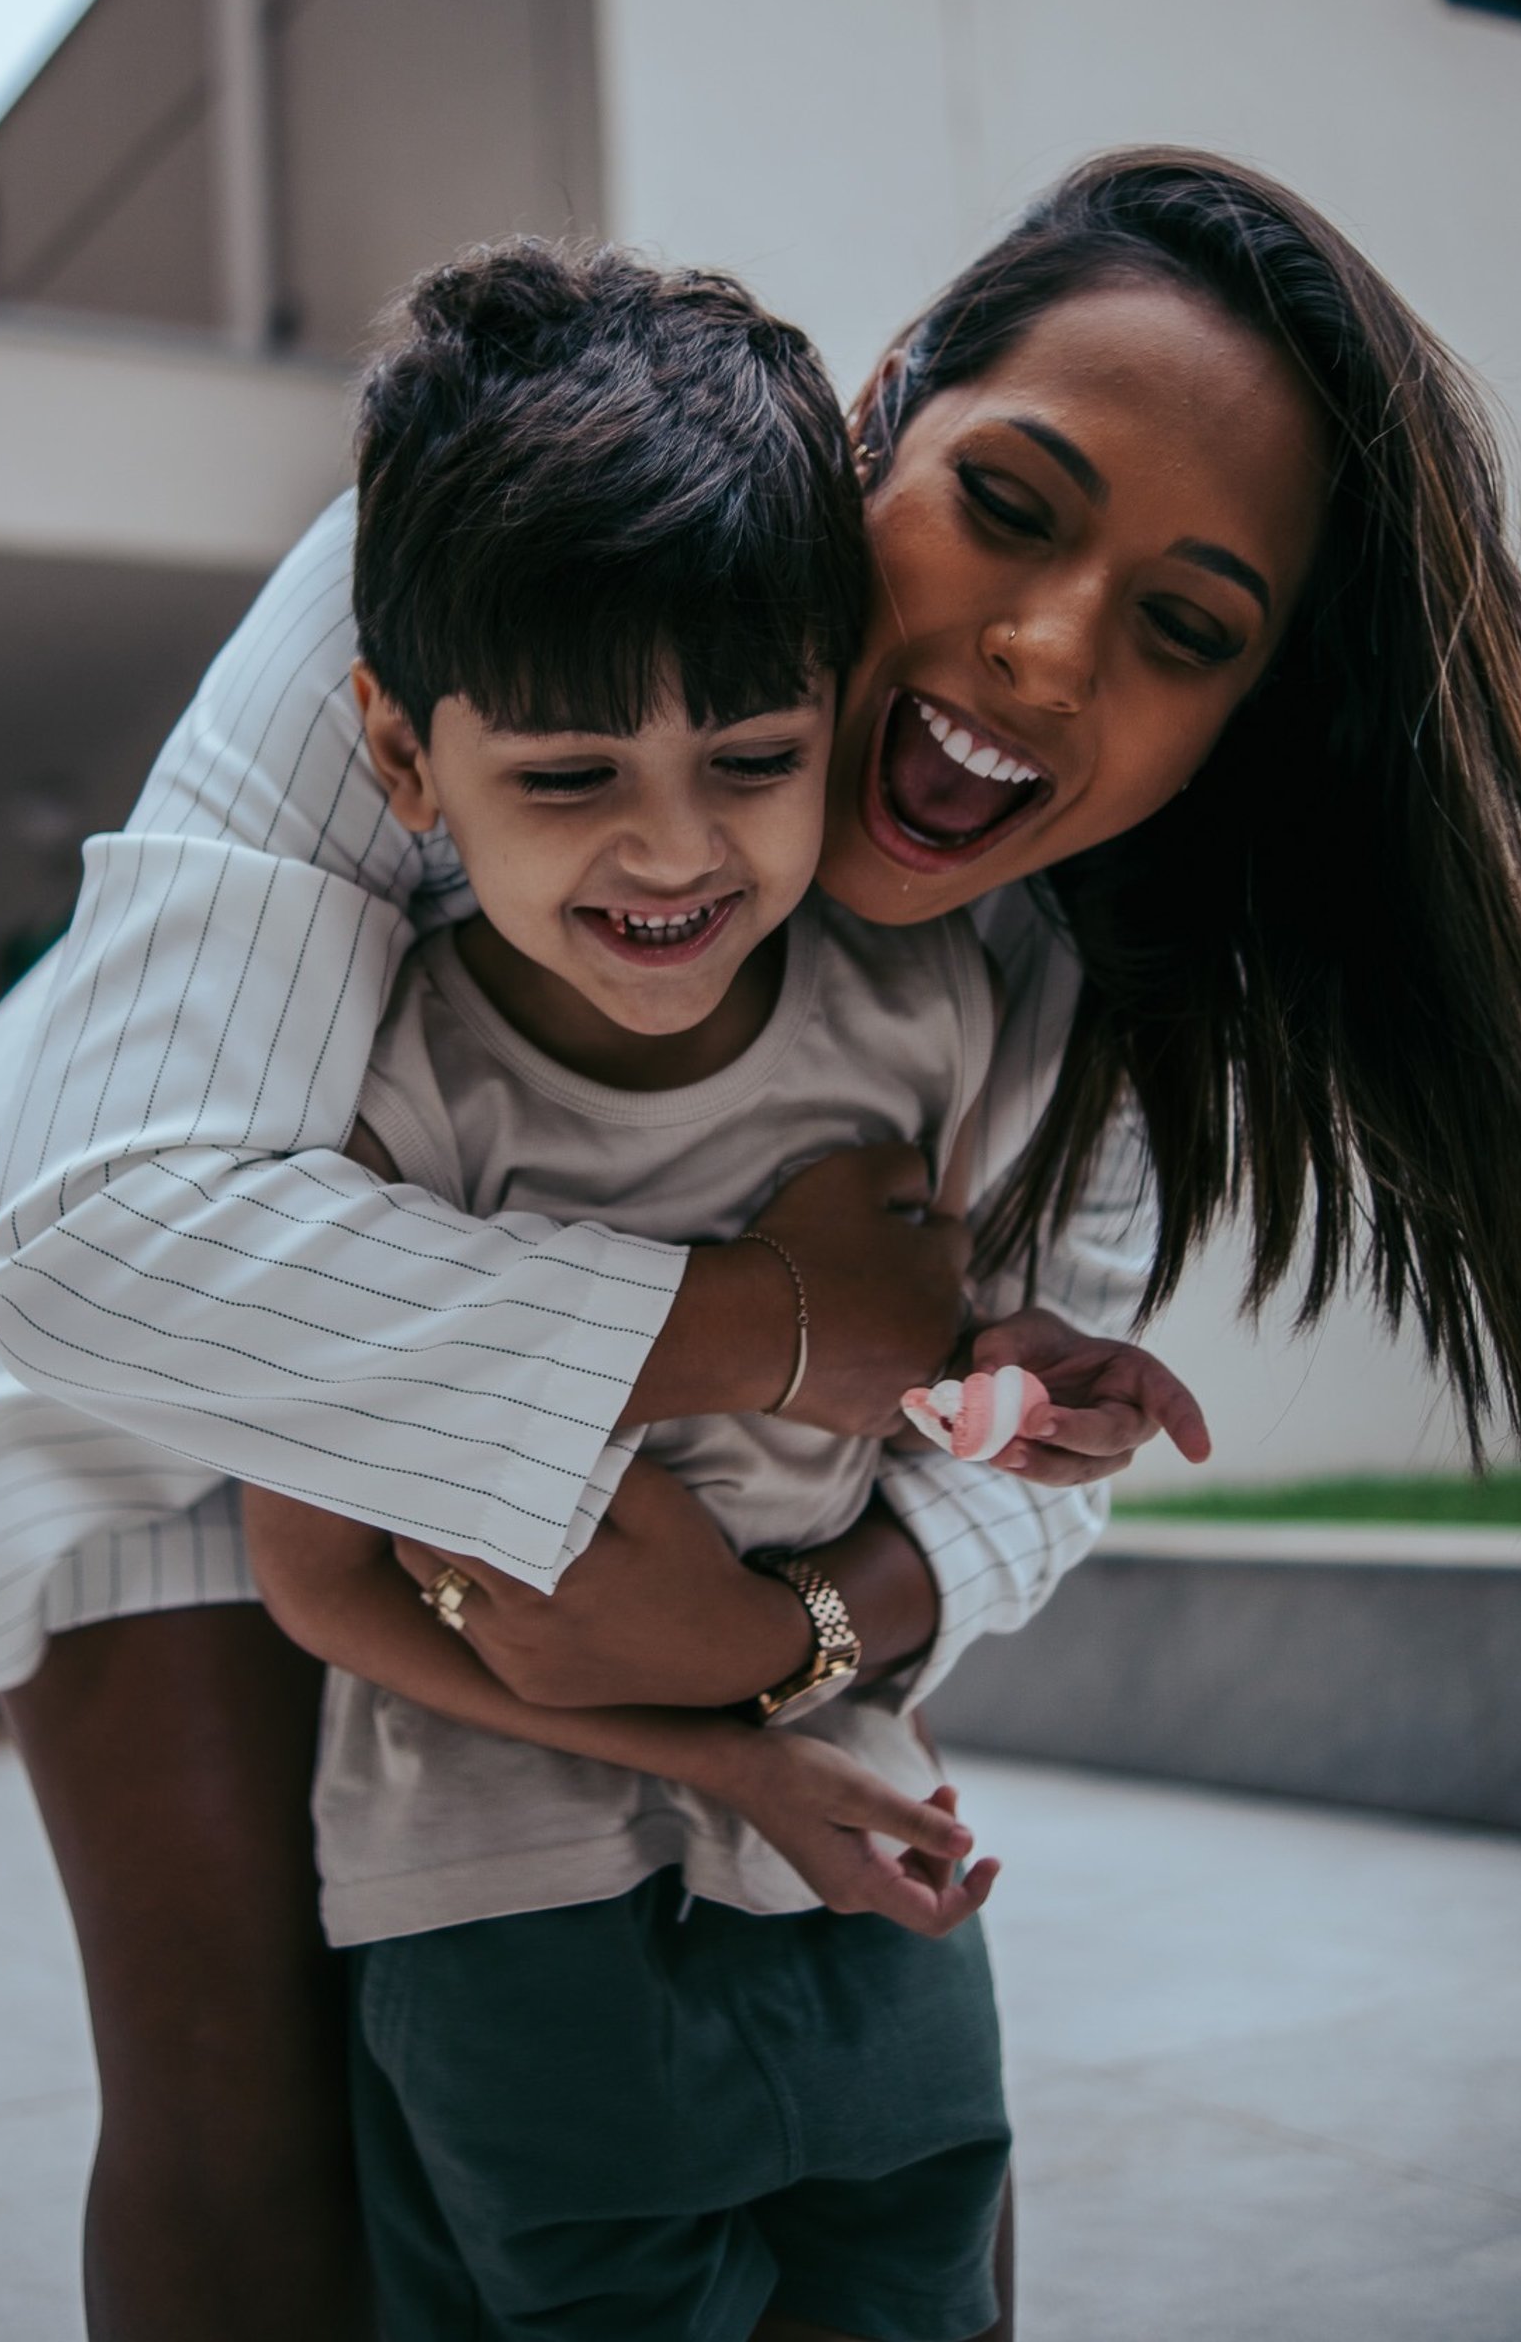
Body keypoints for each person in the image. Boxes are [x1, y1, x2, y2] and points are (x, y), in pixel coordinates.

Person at [0, 151, 1521, 2342]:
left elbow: (1037, 1436)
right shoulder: (493, 549)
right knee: (242, 2099)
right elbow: (110, 1257)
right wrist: (786, 1327)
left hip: (722, 1535)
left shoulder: (1107, 946)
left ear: (1240, 705)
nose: (1043, 642)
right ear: (884, 412)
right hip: (187, 1382)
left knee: (883, 2115)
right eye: (1009, 504)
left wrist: (786, 1637)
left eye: (1185, 627)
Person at [240, 235, 1052, 2342]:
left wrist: (1031, 1378)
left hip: (870, 1857)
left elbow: (935, 1395)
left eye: (758, 759)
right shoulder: (388, 1089)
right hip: (499, 1904)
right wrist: (731, 1753)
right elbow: (321, 1580)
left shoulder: (923, 1019)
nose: (672, 852)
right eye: (570, 777)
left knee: (925, 2292)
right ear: (409, 766)